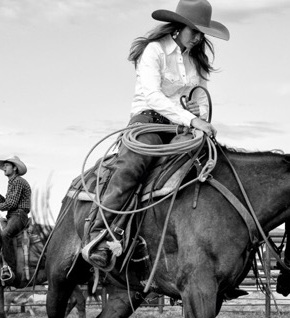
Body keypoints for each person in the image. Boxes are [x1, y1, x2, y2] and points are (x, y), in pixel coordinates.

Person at [84, 0, 229, 269]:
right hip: (148, 122)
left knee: (205, 167)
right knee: (131, 170)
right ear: (180, 26)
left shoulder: (196, 60)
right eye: (194, 31)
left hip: (182, 128)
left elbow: (200, 97)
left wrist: (199, 114)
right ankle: (100, 237)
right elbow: (153, 95)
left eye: (202, 33)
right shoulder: (154, 51)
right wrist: (192, 117)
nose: (198, 38)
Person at [0, 156, 31, 285]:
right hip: (13, 214)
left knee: (5, 233)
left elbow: (11, 205)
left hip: (19, 215)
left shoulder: (18, 181)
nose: (4, 167)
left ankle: (11, 269)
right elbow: (9, 203)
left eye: (7, 165)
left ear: (14, 168)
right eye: (4, 166)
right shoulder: (13, 182)